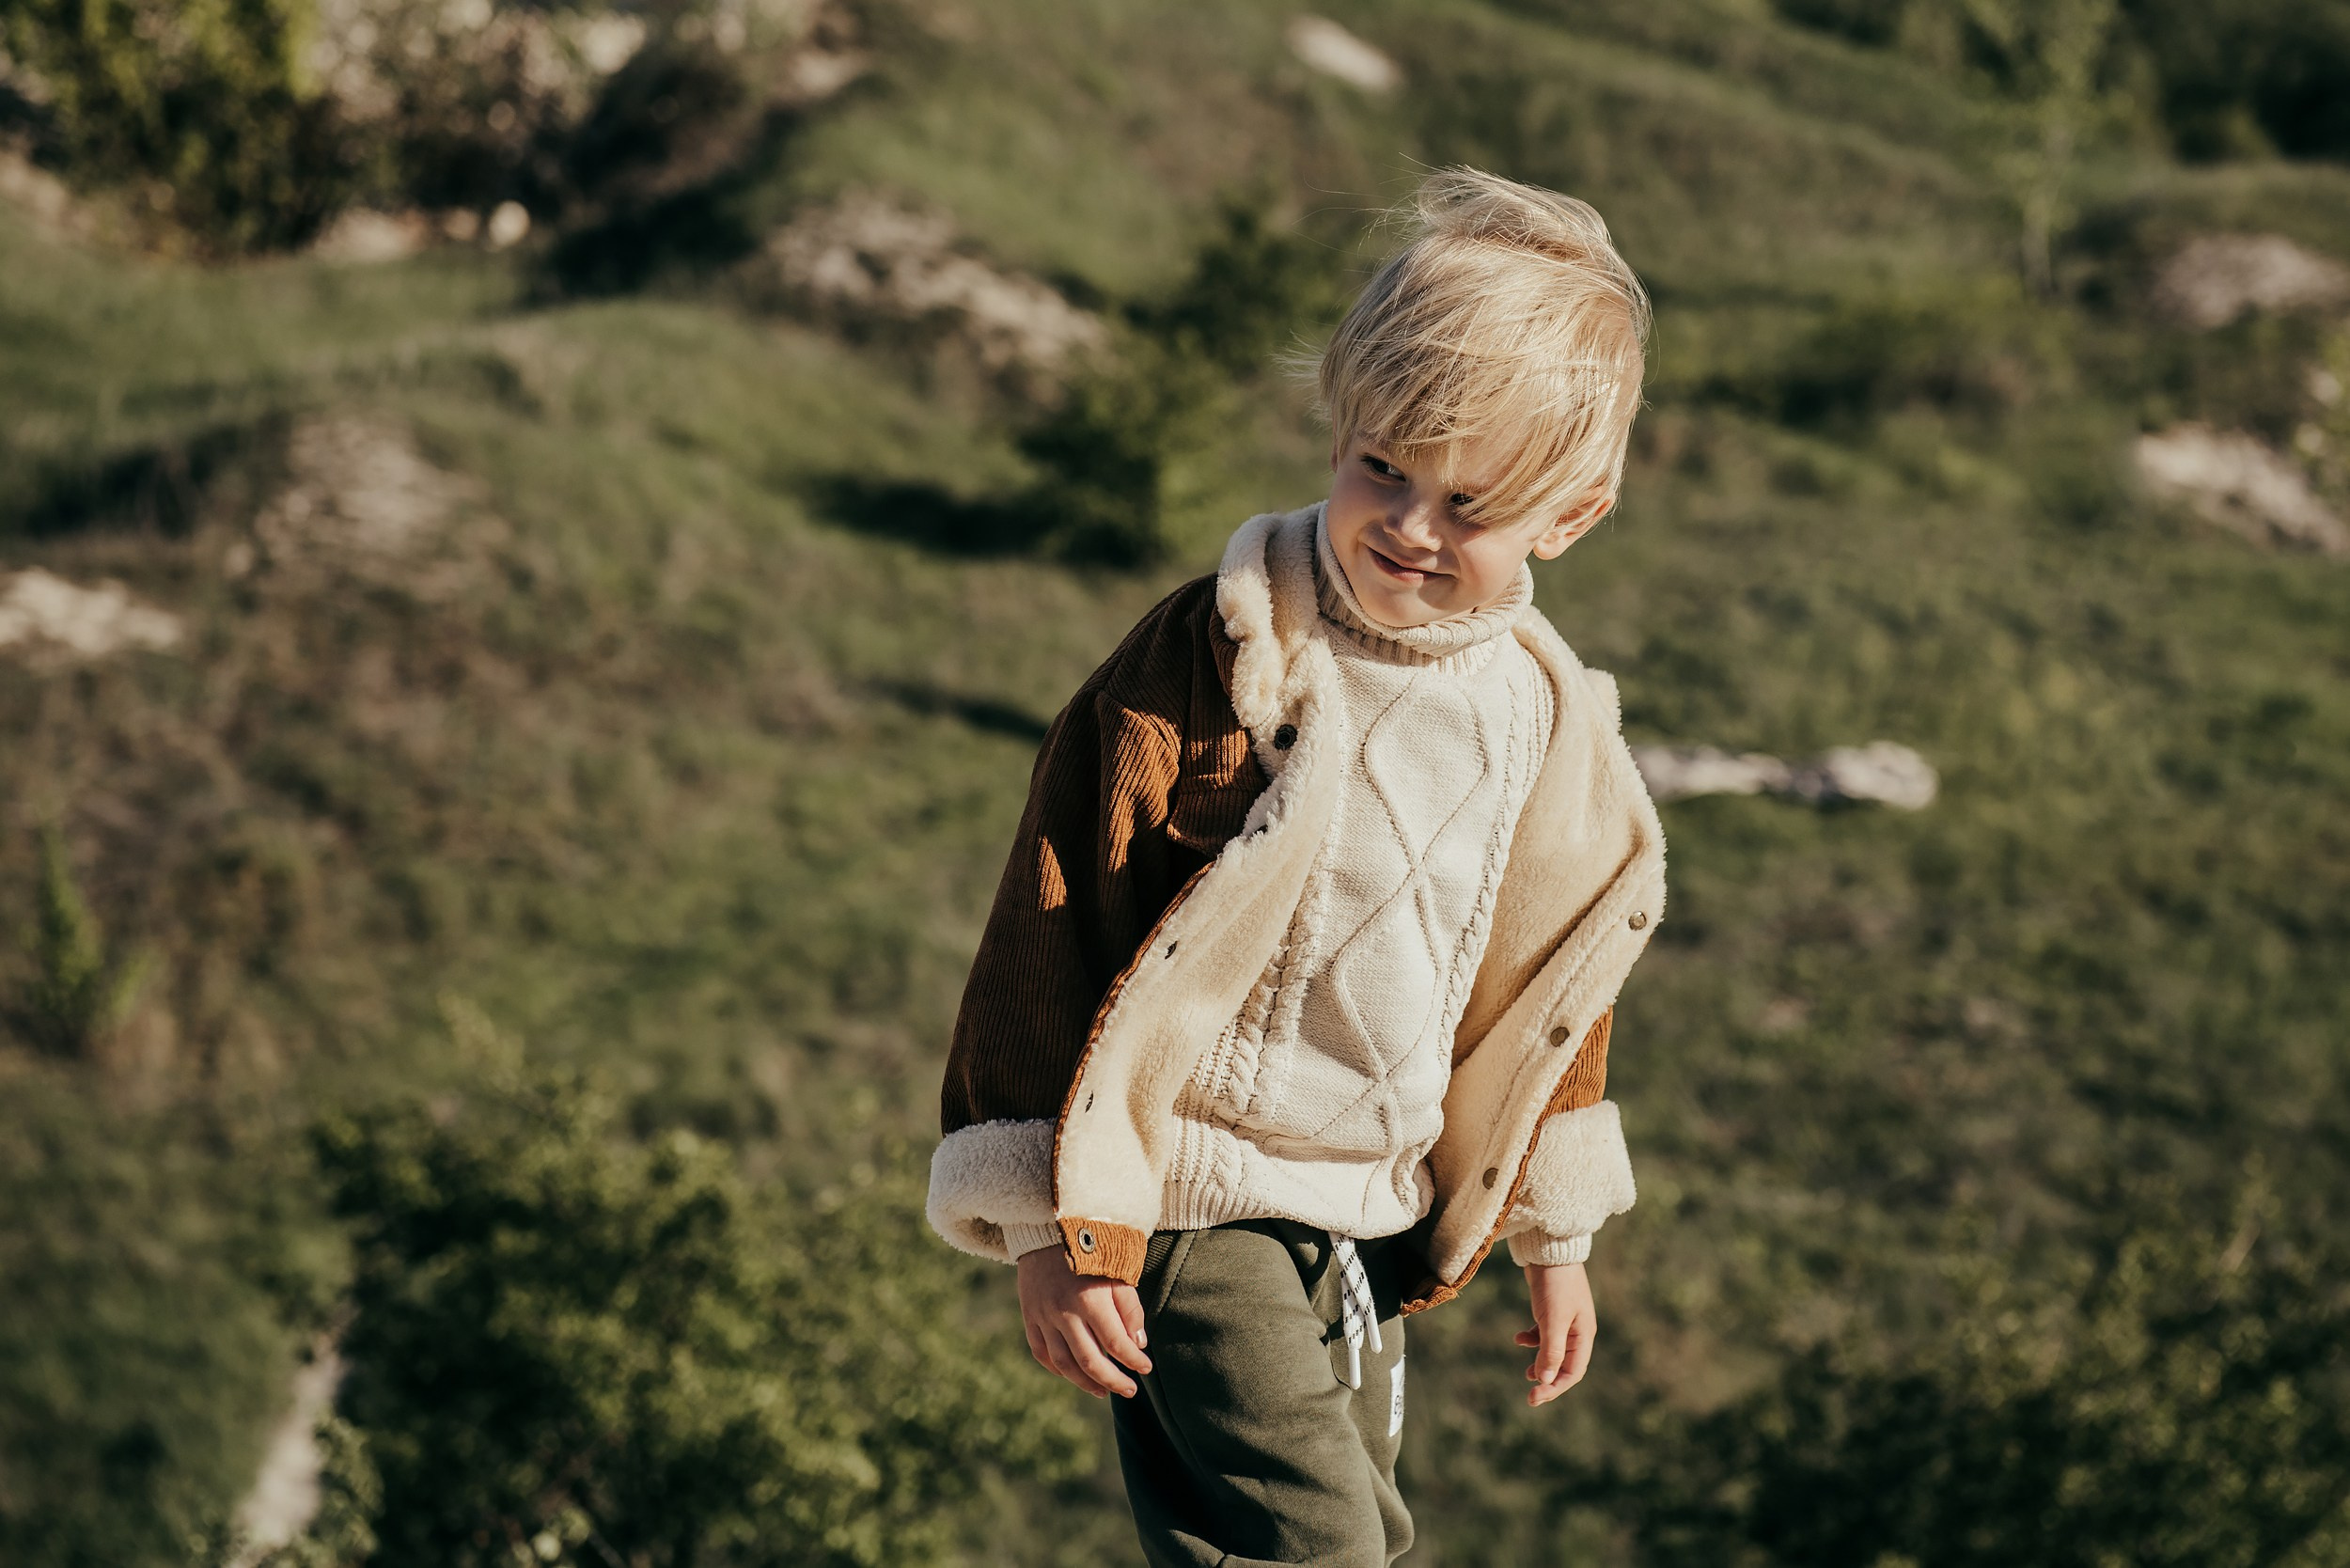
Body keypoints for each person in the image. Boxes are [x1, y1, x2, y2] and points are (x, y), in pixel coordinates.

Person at [926, 165, 1666, 1566]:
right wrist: (1040, 1223)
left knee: (1354, 1532)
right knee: (1322, 1547)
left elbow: (1553, 987)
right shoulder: (1228, 653)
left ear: (1567, 518)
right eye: (1382, 467)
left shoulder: (1543, 715)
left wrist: (1553, 1234)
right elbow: (1055, 906)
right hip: (1198, 1192)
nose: (1410, 525)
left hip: (1366, 1210)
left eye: (1469, 504)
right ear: (1339, 431)